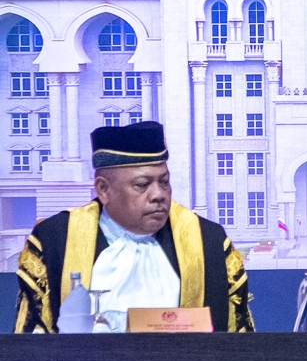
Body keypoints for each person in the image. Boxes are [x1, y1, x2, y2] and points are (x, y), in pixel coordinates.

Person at [14, 121, 254, 333]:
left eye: (165, 182)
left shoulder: (208, 241)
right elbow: (33, 341)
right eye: (142, 185)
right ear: (103, 190)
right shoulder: (55, 241)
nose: (159, 195)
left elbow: (238, 339)